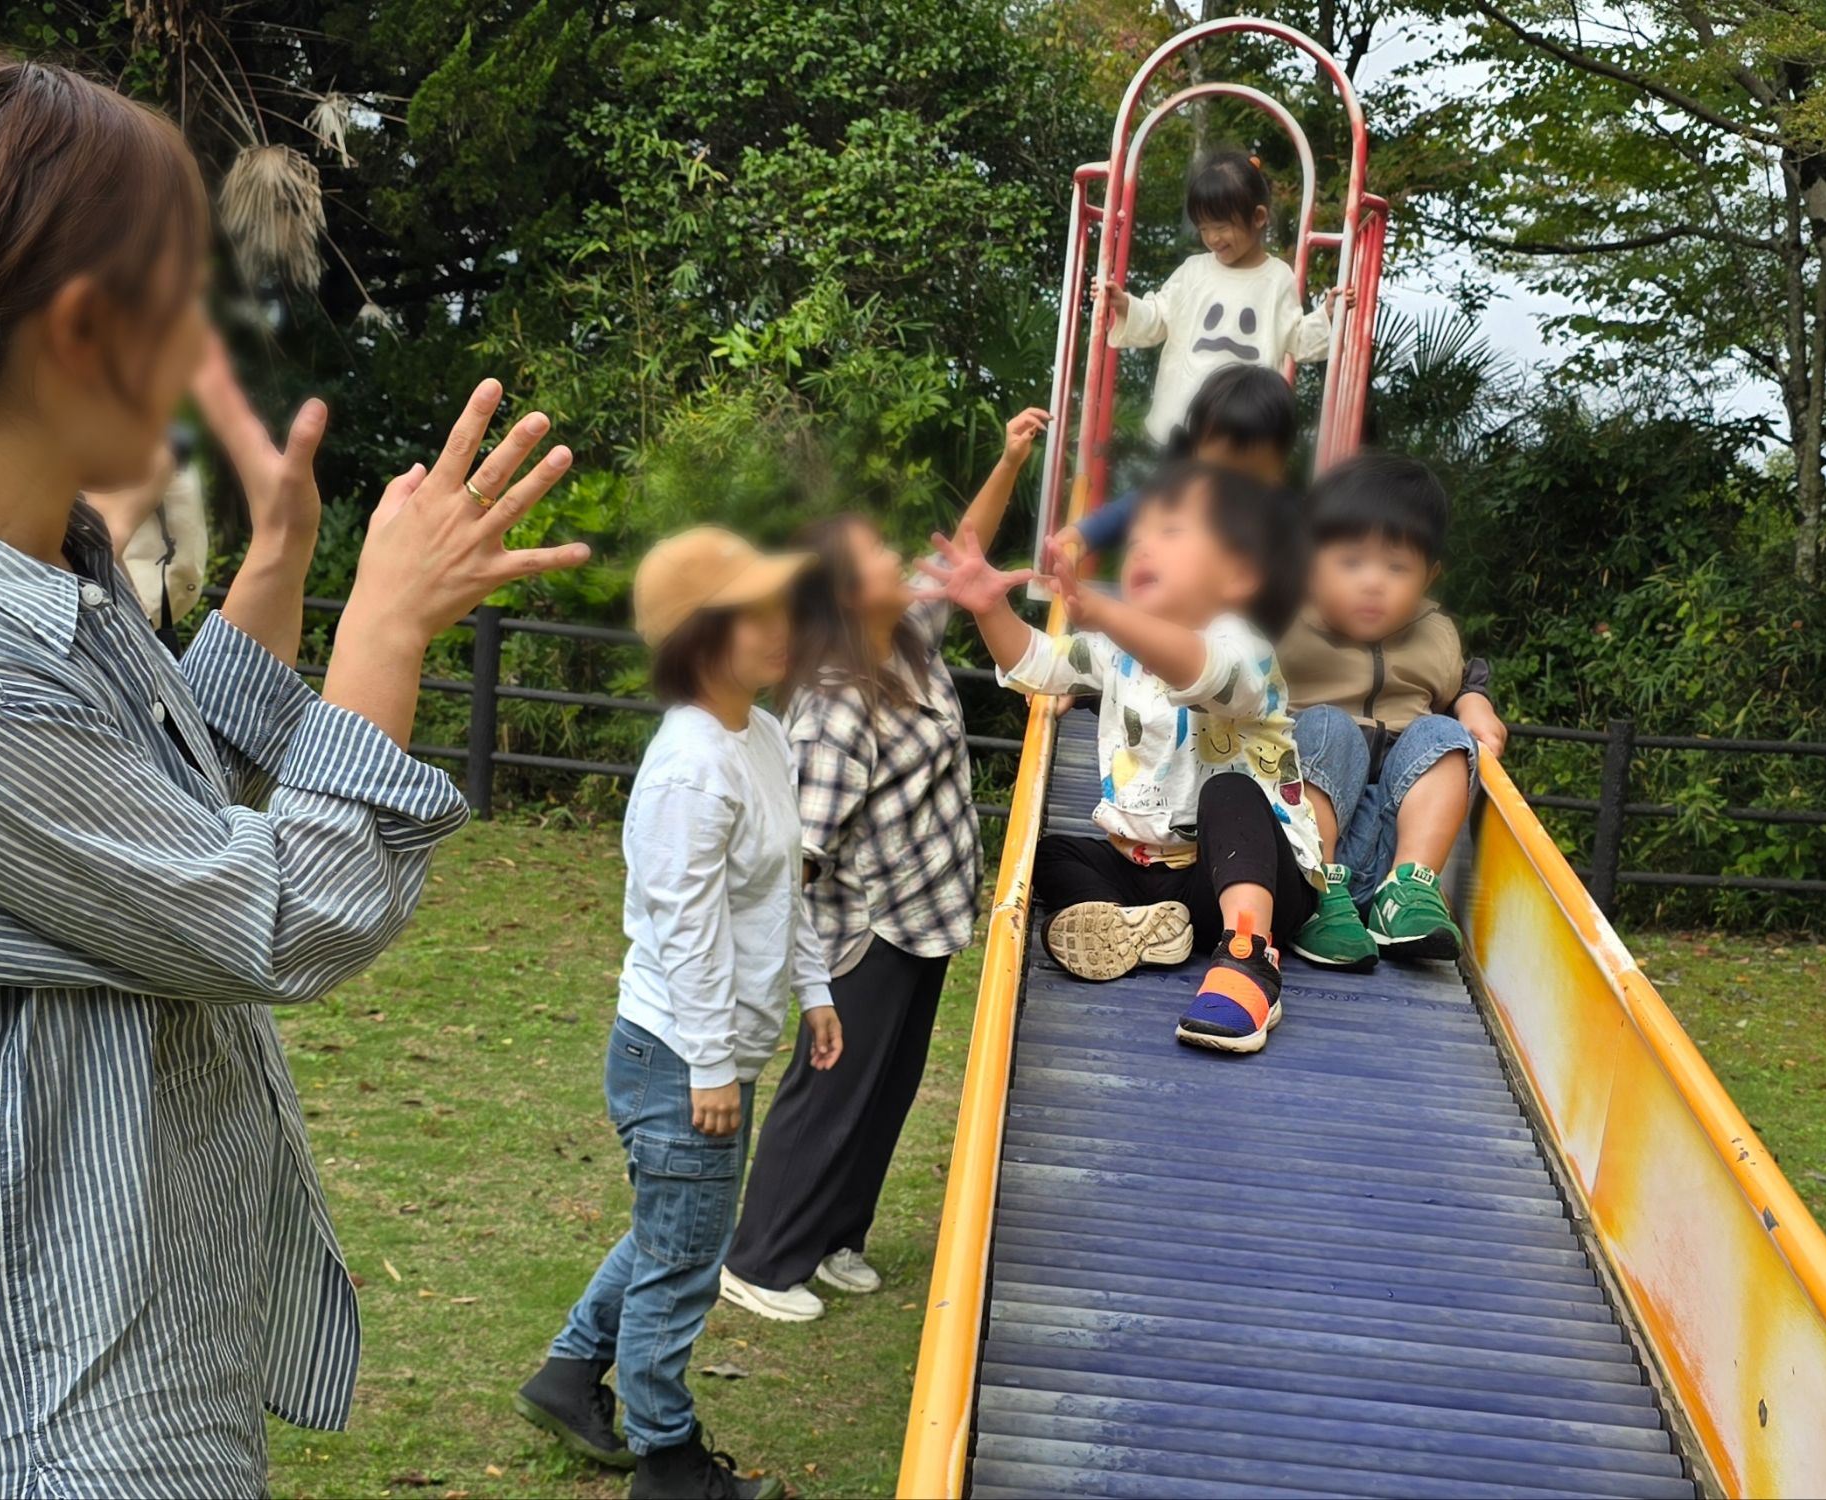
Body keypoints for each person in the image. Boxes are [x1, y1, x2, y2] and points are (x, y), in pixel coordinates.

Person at [0, 51, 590, 1498]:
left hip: (118, 1358)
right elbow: (276, 912)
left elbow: (138, 822)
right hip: (39, 1429)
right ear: (85, 331)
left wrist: (279, 567)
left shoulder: (38, 579)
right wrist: (384, 631)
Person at [513, 527, 843, 1500]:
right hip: (676, 1055)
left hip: (712, 1049)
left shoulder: (762, 736)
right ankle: (666, 1459)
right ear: (699, 635)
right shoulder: (689, 769)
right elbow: (687, 932)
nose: (781, 630)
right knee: (684, 1261)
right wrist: (708, 1063)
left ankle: (569, 1373)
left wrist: (815, 989)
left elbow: (780, 888)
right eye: (753, 615)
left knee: (674, 1233)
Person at [719, 407, 1048, 1324]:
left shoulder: (904, 636)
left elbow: (963, 551)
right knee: (832, 1091)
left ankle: (834, 1237)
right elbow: (804, 852)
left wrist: (1010, 457)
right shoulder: (834, 702)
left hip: (925, 915)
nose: (898, 563)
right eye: (874, 559)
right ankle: (760, 1258)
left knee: (885, 1091)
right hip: (865, 931)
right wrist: (791, 971)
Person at [925, 462, 1320, 1055]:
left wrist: (1108, 614)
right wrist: (989, 610)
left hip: (1255, 877)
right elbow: (1038, 662)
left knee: (1230, 792)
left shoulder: (1244, 646)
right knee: (1049, 855)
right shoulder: (1115, 651)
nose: (1142, 546)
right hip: (1156, 877)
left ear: (1237, 575)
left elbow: (1206, 674)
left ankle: (1248, 960)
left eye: (1171, 533)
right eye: (1138, 537)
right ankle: (1143, 928)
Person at [1282, 453, 1507, 971]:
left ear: (1429, 576)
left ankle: (1407, 891)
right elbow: (1211, 665)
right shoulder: (1285, 627)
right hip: (1304, 841)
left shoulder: (1435, 634)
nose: (1373, 583)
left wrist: (1474, 703)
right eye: (1351, 562)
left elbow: (1462, 681)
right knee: (1326, 726)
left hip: (1392, 838)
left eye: (1397, 567)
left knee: (1443, 735)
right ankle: (1318, 896)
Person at [1096, 150, 1354, 447]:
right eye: (1204, 228)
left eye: (1221, 226)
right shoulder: (1194, 272)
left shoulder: (1277, 279)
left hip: (1243, 425)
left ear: (1258, 217)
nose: (1212, 238)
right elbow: (1158, 317)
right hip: (1183, 423)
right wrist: (1125, 305)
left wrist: (1328, 314)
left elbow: (1296, 337)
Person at [1053, 362, 1297, 561]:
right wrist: (1086, 534)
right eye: (1217, 474)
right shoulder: (1183, 498)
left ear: (1278, 472)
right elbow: (1135, 508)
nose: (1232, 490)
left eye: (1249, 479)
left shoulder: (1282, 523)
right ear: (1195, 456)